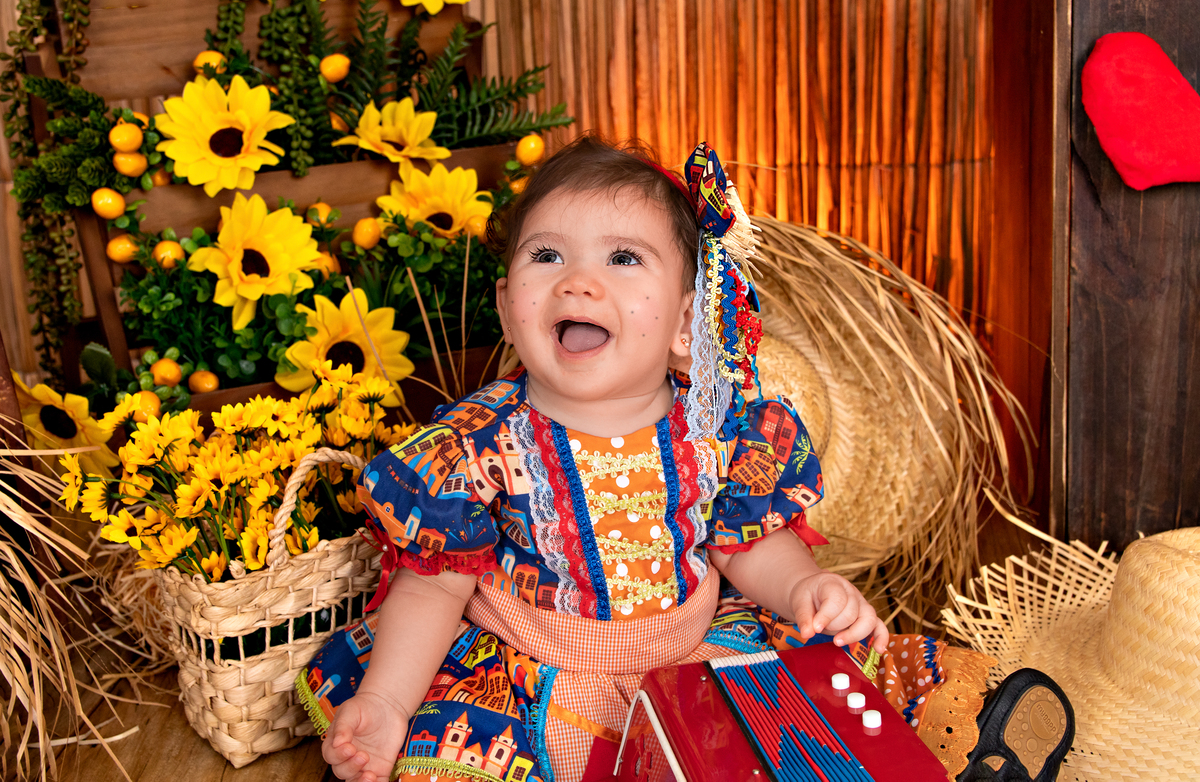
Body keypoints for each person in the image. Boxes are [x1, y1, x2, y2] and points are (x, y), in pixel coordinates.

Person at [297, 136, 999, 782]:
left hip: (690, 653)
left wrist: (802, 589)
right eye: (548, 257)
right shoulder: (479, 443)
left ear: (687, 322)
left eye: (623, 259)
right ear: (509, 309)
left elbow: (745, 543)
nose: (578, 282)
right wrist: (387, 701)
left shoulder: (718, 426)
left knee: (786, 730)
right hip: (541, 674)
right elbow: (433, 585)